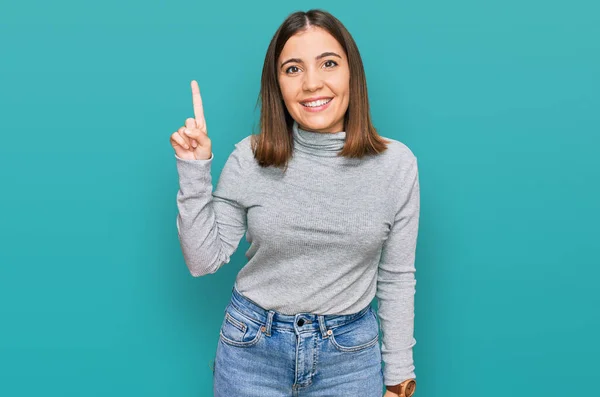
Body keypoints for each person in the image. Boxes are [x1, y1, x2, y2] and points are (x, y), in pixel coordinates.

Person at [170, 9, 420, 397]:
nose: (312, 83)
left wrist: (400, 380)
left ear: (352, 73)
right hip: (251, 349)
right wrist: (194, 168)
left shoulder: (396, 165)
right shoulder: (249, 158)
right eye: (293, 69)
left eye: (329, 63)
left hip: (349, 357)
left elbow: (397, 277)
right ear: (278, 85)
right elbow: (203, 260)